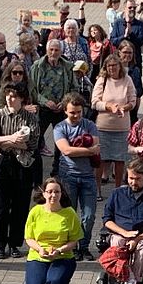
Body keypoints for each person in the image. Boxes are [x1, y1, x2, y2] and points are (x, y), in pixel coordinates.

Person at [0, 83, 40, 258]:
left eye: (14, 96)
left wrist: (6, 142)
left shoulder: (30, 117)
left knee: (20, 206)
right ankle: (0, 243)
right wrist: (12, 138)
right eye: (8, 95)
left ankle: (15, 243)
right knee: (1, 206)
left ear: (22, 99)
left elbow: (32, 143)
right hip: (3, 162)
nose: (10, 99)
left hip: (22, 165)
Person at [54, 94, 101, 261]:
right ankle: (72, 248)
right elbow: (66, 150)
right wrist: (88, 151)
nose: (76, 116)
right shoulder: (59, 128)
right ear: (65, 111)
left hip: (88, 177)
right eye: (72, 112)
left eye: (79, 112)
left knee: (88, 216)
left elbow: (95, 145)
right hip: (68, 177)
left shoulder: (90, 125)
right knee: (70, 215)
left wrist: (79, 150)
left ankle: (84, 247)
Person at [23, 178, 82, 284]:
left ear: (62, 194)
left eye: (57, 192)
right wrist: (40, 249)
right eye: (49, 192)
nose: (53, 195)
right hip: (38, 255)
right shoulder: (35, 211)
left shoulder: (69, 213)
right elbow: (29, 238)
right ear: (44, 194)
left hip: (62, 256)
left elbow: (74, 240)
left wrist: (59, 250)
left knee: (55, 282)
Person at [92, 54, 137, 190]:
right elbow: (94, 102)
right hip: (103, 127)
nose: (112, 68)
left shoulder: (127, 79)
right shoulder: (102, 80)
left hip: (122, 128)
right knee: (101, 159)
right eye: (109, 65)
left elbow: (133, 102)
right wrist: (109, 106)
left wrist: (123, 107)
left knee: (120, 160)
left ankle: (118, 189)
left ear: (120, 66)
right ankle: (97, 189)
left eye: (114, 65)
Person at [110, 0, 143, 66]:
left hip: (135, 61)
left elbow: (141, 42)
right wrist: (124, 36)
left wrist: (131, 34)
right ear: (124, 9)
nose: (132, 9)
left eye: (134, 8)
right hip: (119, 61)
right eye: (130, 7)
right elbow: (113, 41)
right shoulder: (118, 23)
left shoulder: (140, 24)